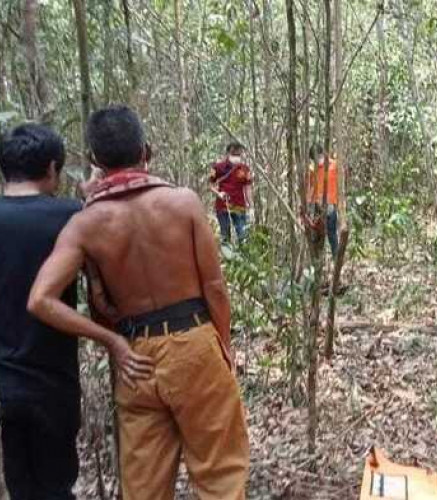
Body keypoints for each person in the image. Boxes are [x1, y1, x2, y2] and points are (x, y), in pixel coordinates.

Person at [28, 106, 250, 500]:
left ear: (95, 161)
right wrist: (223, 345)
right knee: (220, 478)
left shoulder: (86, 223)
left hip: (135, 357)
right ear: (146, 151)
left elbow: (41, 300)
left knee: (144, 488)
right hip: (194, 345)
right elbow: (214, 286)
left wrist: (110, 341)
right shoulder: (183, 203)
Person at [0, 124, 81, 499]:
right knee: (55, 488)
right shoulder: (70, 216)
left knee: (21, 490)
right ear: (52, 168)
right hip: (52, 384)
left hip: (5, 387)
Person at [209, 141, 253, 244]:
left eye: (239, 154)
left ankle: (243, 258)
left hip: (239, 207)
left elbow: (248, 188)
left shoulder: (245, 169)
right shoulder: (218, 167)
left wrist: (251, 207)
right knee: (225, 237)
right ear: (228, 154)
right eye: (234, 154)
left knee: (243, 237)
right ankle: (228, 259)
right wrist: (218, 194)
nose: (237, 156)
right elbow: (210, 185)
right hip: (223, 206)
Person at [307, 144, 339, 258]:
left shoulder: (334, 166)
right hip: (318, 206)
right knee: (318, 236)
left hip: (331, 205)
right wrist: (308, 203)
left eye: (318, 158)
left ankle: (336, 259)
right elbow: (311, 189)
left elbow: (342, 183)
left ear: (322, 154)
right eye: (314, 160)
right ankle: (318, 261)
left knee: (332, 233)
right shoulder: (313, 171)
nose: (317, 161)